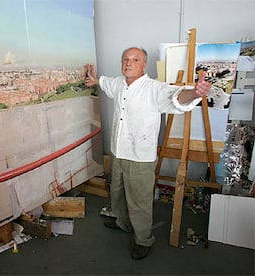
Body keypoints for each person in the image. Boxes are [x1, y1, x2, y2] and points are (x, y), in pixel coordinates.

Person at [84, 47, 212, 260]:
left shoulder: (155, 89)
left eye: (135, 59)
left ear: (144, 65)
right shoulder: (117, 83)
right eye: (125, 59)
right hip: (118, 152)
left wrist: (194, 93)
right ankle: (123, 223)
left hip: (140, 157)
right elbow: (103, 82)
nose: (128, 62)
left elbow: (176, 97)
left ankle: (143, 239)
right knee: (117, 192)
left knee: (139, 201)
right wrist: (93, 80)